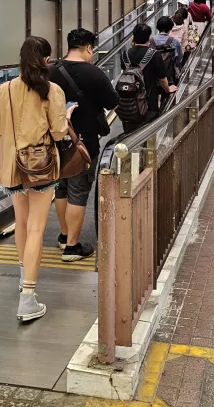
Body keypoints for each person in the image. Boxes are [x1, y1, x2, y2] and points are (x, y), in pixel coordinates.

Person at [0, 37, 71, 322]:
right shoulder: (52, 90)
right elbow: (59, 132)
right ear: (45, 59)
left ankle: (25, 275)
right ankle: (28, 298)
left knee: (21, 223)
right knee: (37, 227)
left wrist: (2, 166)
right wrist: (68, 114)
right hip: (40, 166)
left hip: (12, 165)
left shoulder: (5, 89)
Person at [49, 29, 119, 263]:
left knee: (61, 188)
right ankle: (72, 247)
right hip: (84, 143)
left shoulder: (51, 72)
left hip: (55, 141)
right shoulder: (95, 74)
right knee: (78, 191)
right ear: (88, 48)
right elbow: (112, 102)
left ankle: (64, 235)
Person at [117, 24, 177, 133]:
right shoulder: (155, 54)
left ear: (133, 37)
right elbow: (162, 79)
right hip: (149, 102)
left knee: (130, 133)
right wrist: (168, 89)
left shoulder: (124, 55)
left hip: (128, 102)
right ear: (149, 38)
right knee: (147, 132)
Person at [152, 15, 183, 84]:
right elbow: (179, 59)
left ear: (157, 27)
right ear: (170, 28)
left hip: (154, 77)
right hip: (169, 77)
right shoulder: (175, 41)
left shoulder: (151, 41)